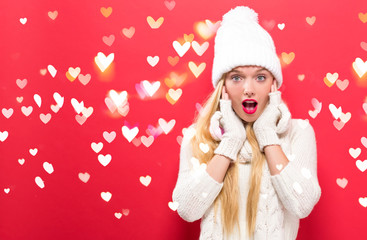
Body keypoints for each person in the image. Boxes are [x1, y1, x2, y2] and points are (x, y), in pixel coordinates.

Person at [171, 6, 322, 240]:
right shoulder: (197, 136)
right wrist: (230, 142)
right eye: (237, 77)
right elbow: (187, 209)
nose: (248, 89)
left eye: (260, 77)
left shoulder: (297, 133)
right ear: (223, 87)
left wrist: (266, 135)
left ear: (273, 85)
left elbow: (302, 204)